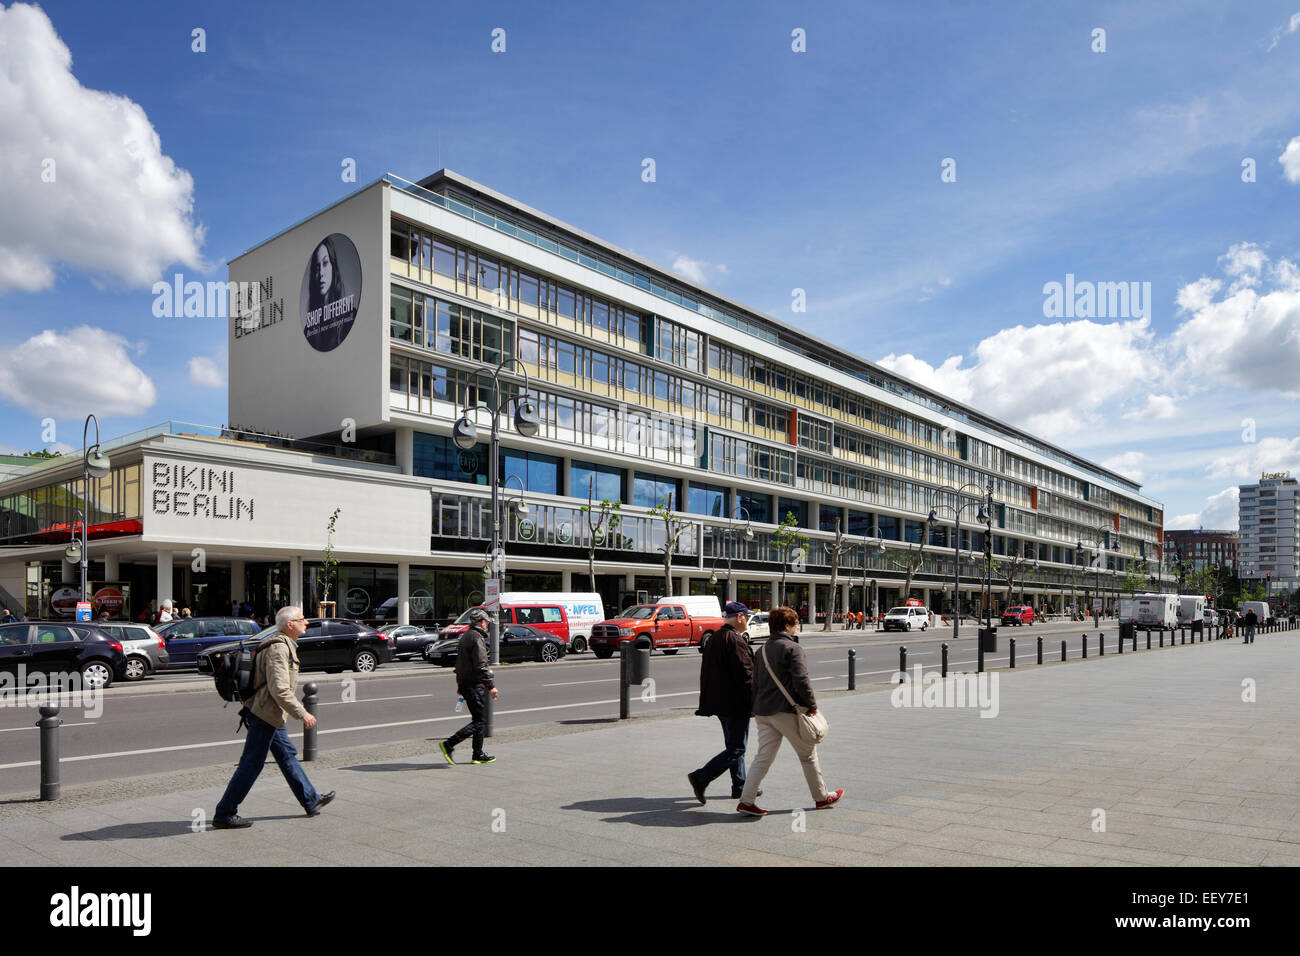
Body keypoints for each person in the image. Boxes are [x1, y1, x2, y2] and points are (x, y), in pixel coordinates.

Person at [213, 606, 334, 829]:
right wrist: (303, 713)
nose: (306, 622)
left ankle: (310, 799)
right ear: (290, 625)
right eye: (302, 619)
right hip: (264, 714)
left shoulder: (283, 643)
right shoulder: (279, 648)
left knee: (287, 755)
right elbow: (279, 689)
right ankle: (225, 813)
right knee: (251, 764)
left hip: (270, 714)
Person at [738, 606, 843, 816]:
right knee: (807, 754)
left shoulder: (762, 651)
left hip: (763, 711)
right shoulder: (793, 648)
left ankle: (747, 800)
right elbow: (801, 680)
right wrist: (811, 705)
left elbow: (755, 683)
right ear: (787, 626)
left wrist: (755, 707)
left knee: (763, 757)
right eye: (795, 624)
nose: (797, 628)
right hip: (785, 711)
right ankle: (821, 798)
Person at [688, 601, 756, 804]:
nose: (748, 620)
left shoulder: (715, 638)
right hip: (736, 703)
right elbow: (746, 675)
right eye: (747, 616)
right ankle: (701, 777)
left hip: (720, 703)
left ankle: (740, 786)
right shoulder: (734, 640)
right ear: (739, 618)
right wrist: (756, 700)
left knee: (733, 745)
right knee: (737, 748)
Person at [439, 607, 499, 765]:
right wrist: (491, 686)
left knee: (478, 719)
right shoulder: (477, 638)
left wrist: (460, 684)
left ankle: (477, 754)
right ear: (481, 622)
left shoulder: (465, 636)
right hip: (475, 685)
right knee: (479, 721)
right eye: (486, 622)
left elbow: (460, 664)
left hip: (466, 683)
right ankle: (449, 744)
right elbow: (481, 665)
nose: (487, 625)